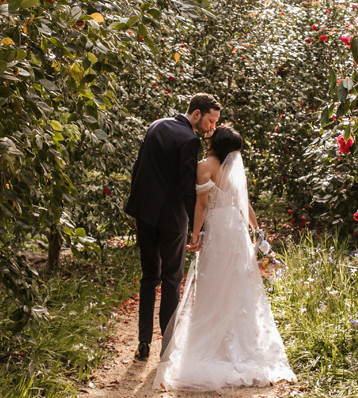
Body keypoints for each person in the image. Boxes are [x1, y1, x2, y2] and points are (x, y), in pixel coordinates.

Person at [153, 125, 296, 392]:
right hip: (237, 231)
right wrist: (256, 229)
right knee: (239, 285)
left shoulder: (205, 165)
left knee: (213, 284)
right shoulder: (234, 169)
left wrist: (195, 235)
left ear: (214, 143)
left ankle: (215, 348)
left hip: (218, 229)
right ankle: (243, 347)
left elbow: (202, 205)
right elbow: (245, 204)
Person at [124, 93, 221, 361]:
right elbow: (187, 187)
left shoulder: (156, 125)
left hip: (145, 214)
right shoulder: (190, 140)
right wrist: (196, 227)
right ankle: (166, 347)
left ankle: (143, 342)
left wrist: (136, 207)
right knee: (171, 279)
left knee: (148, 277)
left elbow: (138, 168)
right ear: (197, 114)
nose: (212, 128)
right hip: (172, 219)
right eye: (211, 121)